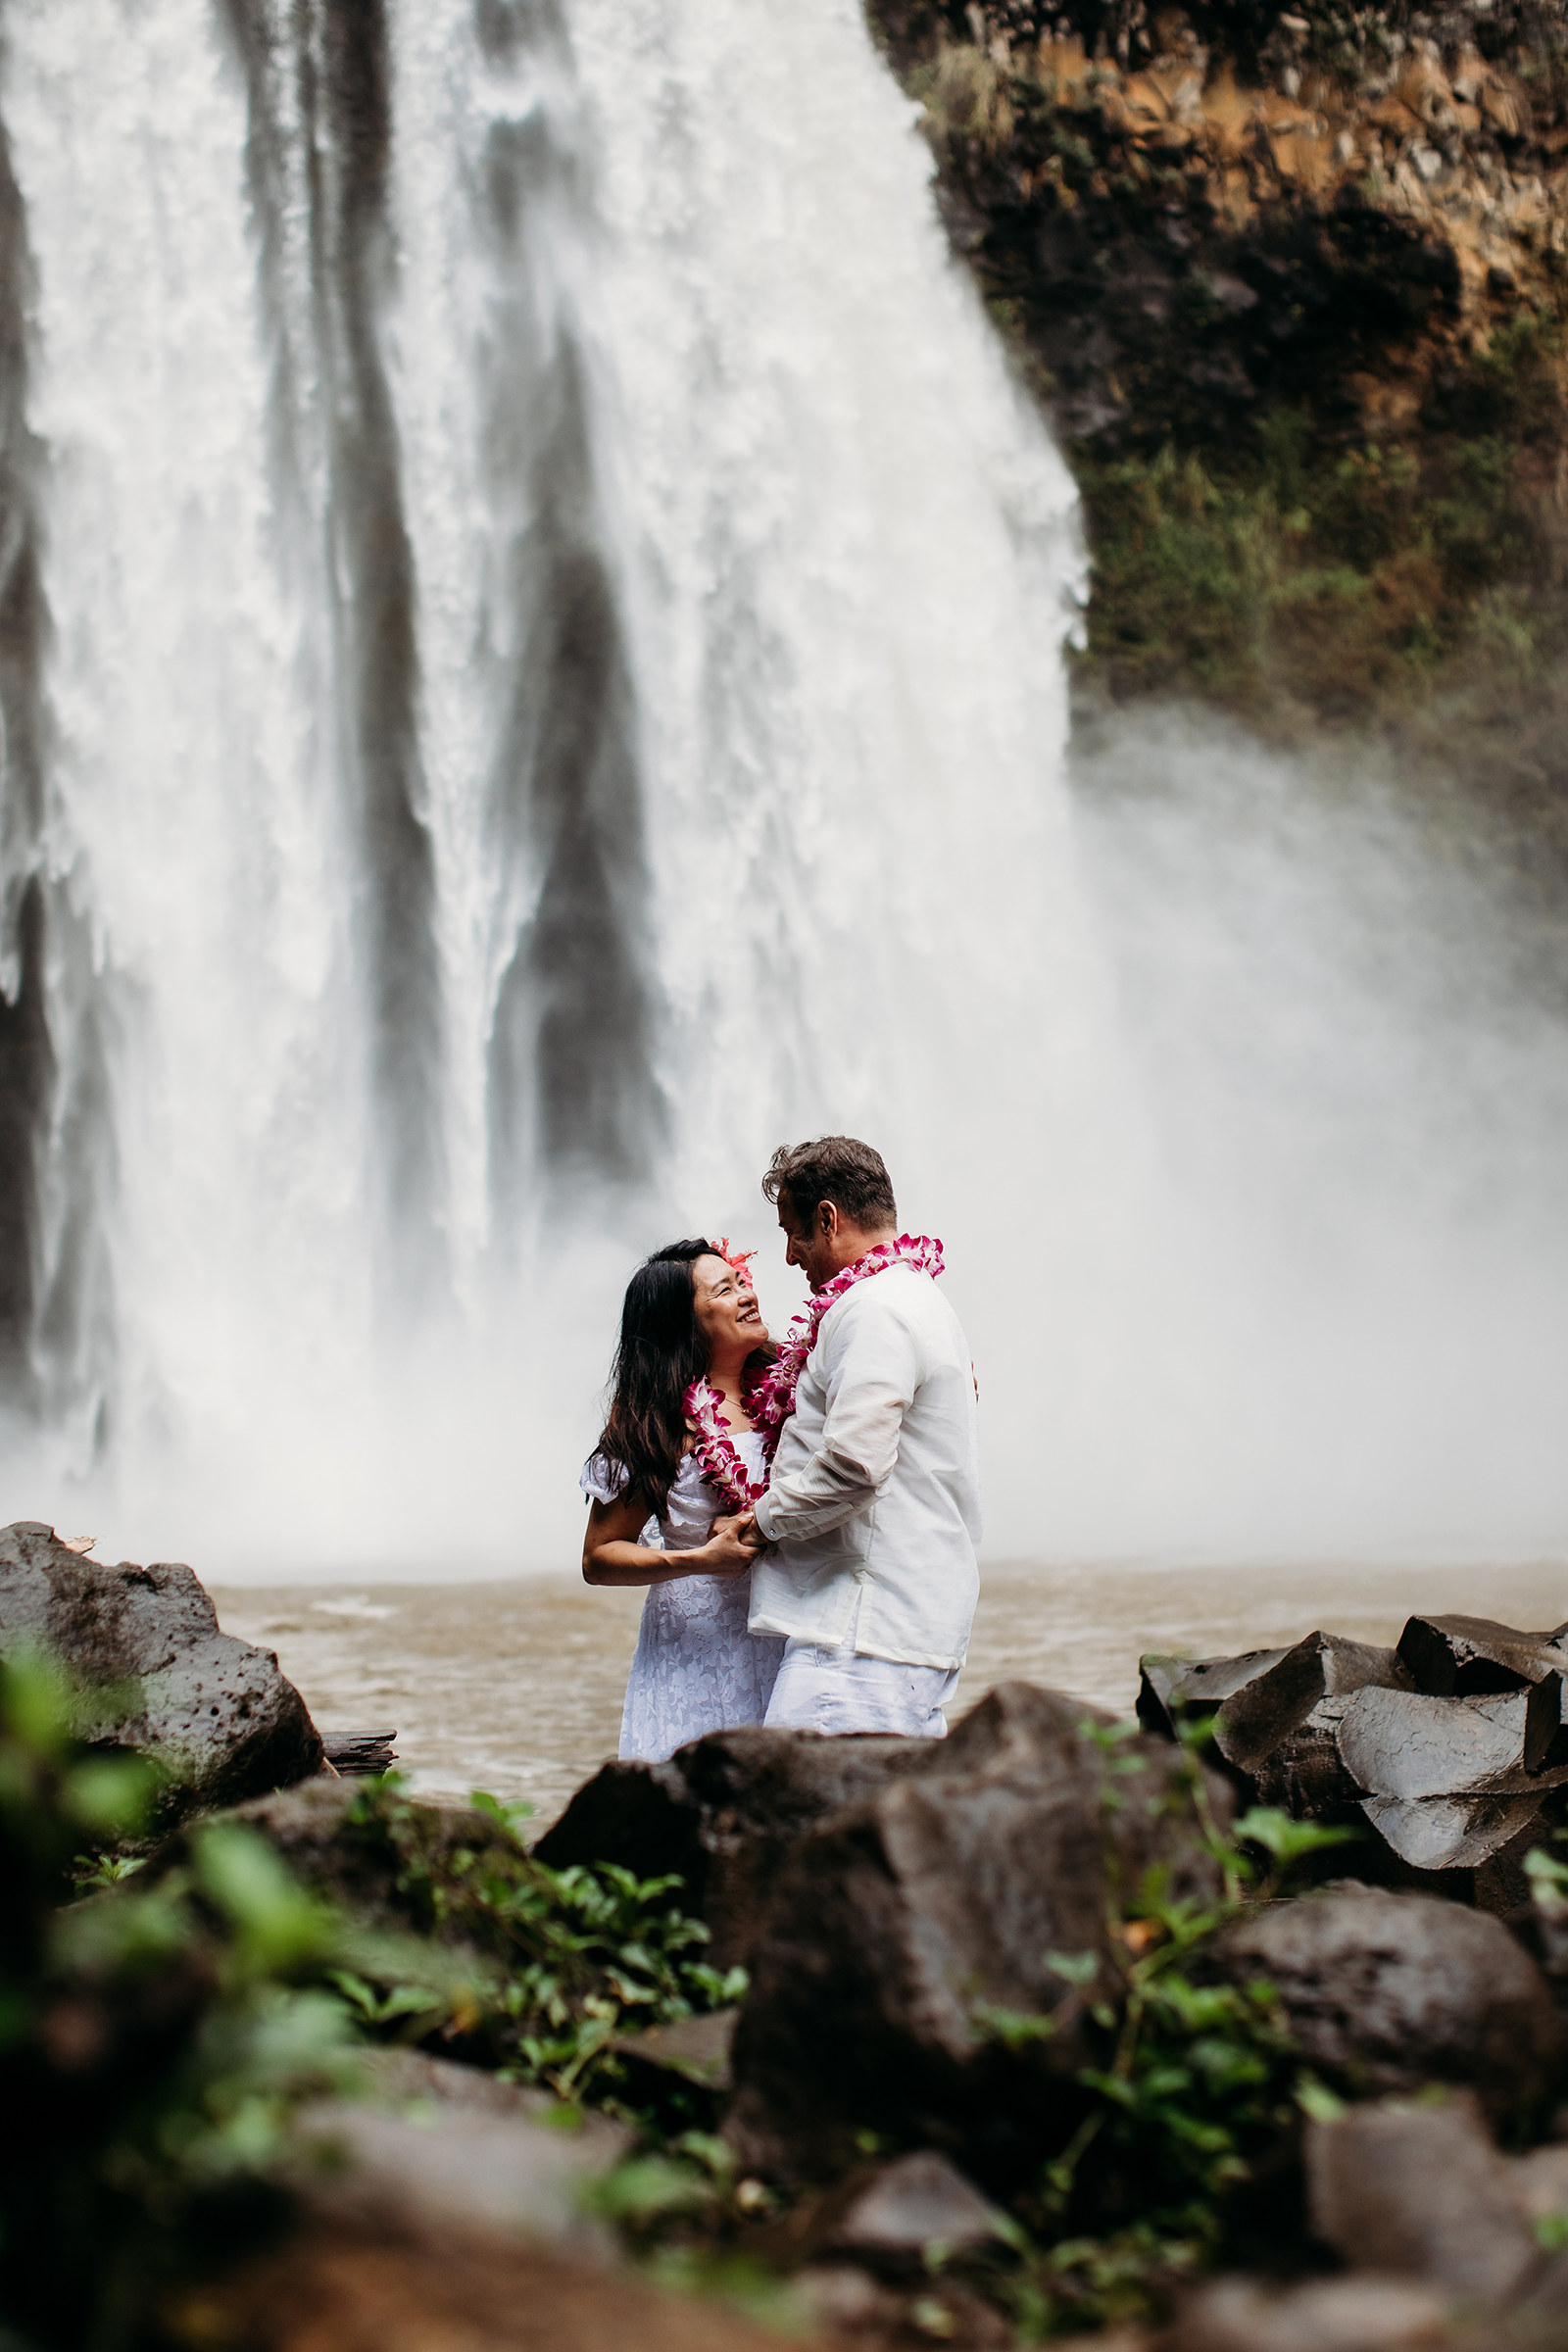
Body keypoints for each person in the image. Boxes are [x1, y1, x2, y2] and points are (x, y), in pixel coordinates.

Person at [738, 1136, 981, 1738]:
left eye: (792, 1232)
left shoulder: (874, 1310)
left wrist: (758, 1525)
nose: (791, 1257)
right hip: (888, 1624)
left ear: (828, 1218)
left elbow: (854, 1467)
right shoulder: (911, 1298)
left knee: (809, 1819)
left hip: (861, 1633)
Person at [581, 1239, 785, 1761]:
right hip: (699, 1644)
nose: (746, 1295)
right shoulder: (656, 1427)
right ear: (683, 1325)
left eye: (741, 1281)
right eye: (725, 1290)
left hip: (791, 1624)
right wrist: (698, 1560)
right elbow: (600, 1556)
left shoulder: (795, 1389)